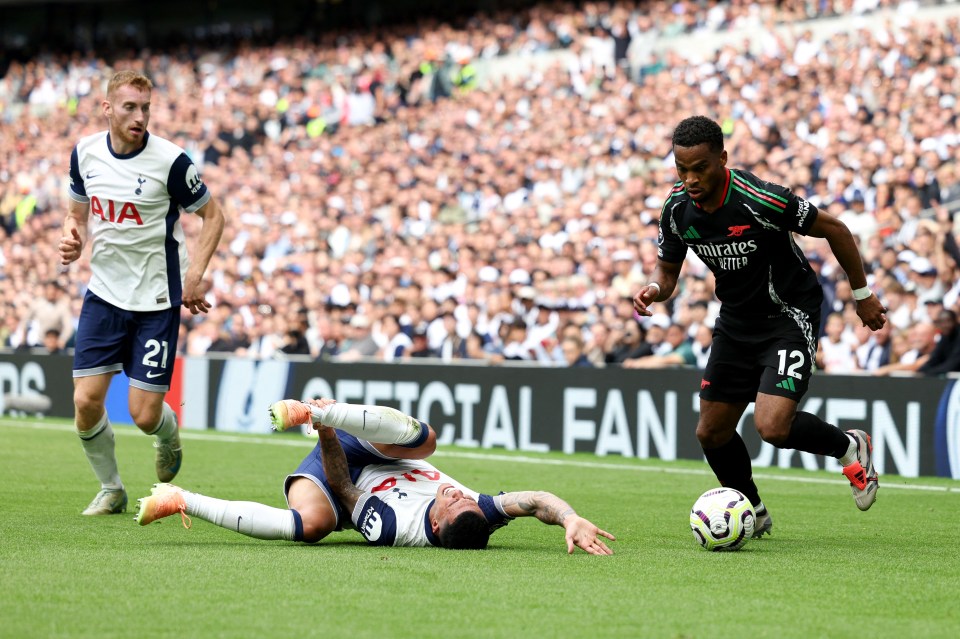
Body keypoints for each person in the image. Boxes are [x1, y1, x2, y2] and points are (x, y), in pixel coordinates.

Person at [633, 116, 887, 536]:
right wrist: (654, 288)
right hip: (735, 321)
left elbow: (836, 229)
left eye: (700, 167)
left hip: (788, 314)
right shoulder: (677, 208)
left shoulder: (760, 199)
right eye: (682, 169)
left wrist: (862, 296)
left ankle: (849, 446)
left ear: (723, 159)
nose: (691, 178)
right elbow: (667, 269)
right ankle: (752, 509)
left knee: (772, 426)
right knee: (711, 432)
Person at [136, 398, 614, 554]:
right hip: (385, 453)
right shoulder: (475, 513)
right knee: (427, 439)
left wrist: (322, 431)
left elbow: (344, 488)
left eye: (449, 501)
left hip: (344, 472)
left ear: (434, 525)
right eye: (463, 497)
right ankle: (321, 406)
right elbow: (534, 500)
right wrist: (569, 517)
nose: (452, 491)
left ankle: (180, 498)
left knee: (312, 526)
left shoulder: (393, 525)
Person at [58, 70, 225, 515]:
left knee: (144, 415)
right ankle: (111, 489)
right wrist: (72, 237)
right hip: (104, 294)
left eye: (145, 108)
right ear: (108, 107)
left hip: (155, 299)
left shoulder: (171, 161)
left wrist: (196, 275)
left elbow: (214, 216)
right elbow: (76, 212)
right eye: (130, 107)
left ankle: (169, 437)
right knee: (85, 401)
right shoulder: (86, 153)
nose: (139, 116)